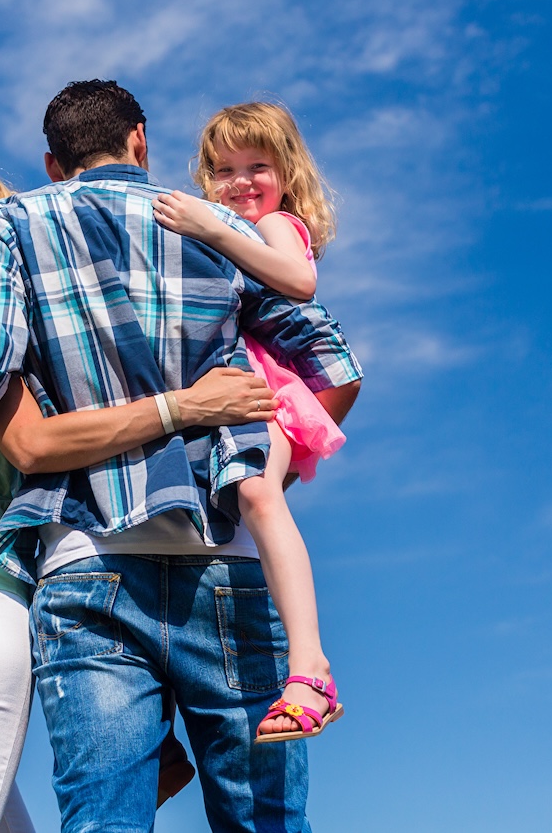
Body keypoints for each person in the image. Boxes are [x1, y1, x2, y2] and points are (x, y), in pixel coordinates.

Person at [0, 81, 363, 833]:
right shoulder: (219, 227)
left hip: (83, 565)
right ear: (142, 142)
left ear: (53, 165)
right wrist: (268, 464)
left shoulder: (12, 224)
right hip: (224, 558)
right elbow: (333, 364)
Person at [152, 102, 344, 741]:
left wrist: (214, 228)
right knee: (227, 516)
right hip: (238, 391)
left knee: (260, 494)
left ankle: (310, 667)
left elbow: (299, 280)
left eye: (256, 166)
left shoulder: (280, 226)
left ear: (287, 172)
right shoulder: (231, 228)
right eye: (224, 170)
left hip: (270, 390)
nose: (240, 182)